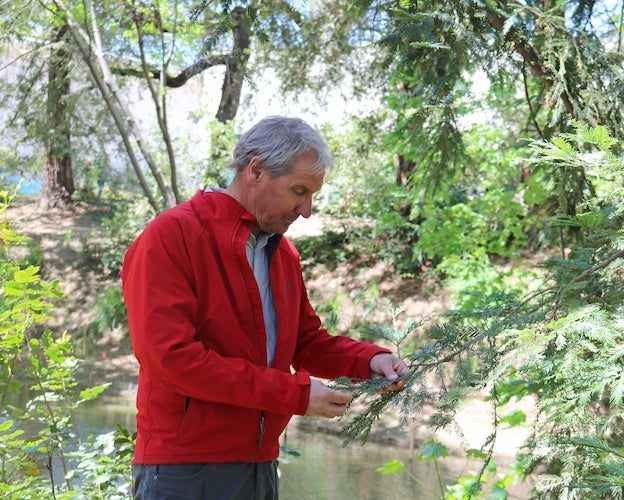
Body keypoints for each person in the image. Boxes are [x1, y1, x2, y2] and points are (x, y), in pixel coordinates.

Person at [121, 116, 410, 499]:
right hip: (183, 470)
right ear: (256, 170)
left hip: (260, 468)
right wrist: (295, 395)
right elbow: (170, 359)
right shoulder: (171, 236)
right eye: (299, 190)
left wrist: (369, 361)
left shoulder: (282, 252)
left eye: (312, 196)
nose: (305, 210)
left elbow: (305, 343)